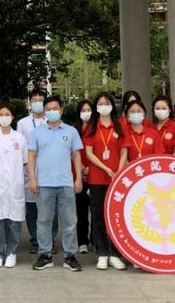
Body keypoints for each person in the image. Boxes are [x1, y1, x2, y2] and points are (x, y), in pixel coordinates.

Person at [28, 96, 84, 272]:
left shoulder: (71, 131)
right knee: (43, 221)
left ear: (61, 110)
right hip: (44, 184)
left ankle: (70, 256)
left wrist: (78, 179)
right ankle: (45, 255)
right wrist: (32, 179)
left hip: (66, 183)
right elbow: (31, 156)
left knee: (70, 221)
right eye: (49, 109)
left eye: (55, 108)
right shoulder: (37, 132)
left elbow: (76, 155)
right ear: (45, 112)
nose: (52, 111)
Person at [83, 92, 126, 271]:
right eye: (100, 103)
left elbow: (124, 151)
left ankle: (115, 254)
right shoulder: (92, 127)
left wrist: (118, 171)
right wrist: (105, 168)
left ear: (112, 106)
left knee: (115, 216)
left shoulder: (120, 125)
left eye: (107, 103)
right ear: (96, 107)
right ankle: (102, 253)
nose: (104, 106)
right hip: (97, 178)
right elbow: (88, 153)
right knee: (98, 216)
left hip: (116, 179)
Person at [0, 103, 27, 268]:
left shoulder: (20, 138)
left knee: (14, 221)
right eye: (1, 114)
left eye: (7, 114)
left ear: (13, 117)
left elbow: (25, 162)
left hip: (15, 185)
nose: (4, 117)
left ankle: (11, 252)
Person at [17, 88, 47, 254]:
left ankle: (48, 240)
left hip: (48, 167)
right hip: (29, 167)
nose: (37, 103)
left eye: (40, 100)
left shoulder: (51, 120)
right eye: (34, 100)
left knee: (48, 207)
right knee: (31, 208)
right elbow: (21, 147)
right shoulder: (23, 123)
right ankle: (35, 240)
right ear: (29, 103)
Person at [72, 99, 93, 255]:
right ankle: (82, 241)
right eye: (83, 110)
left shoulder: (97, 128)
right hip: (78, 174)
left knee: (96, 211)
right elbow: (72, 153)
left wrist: (90, 168)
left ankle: (95, 240)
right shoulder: (74, 130)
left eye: (88, 110)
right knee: (81, 211)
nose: (86, 113)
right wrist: (82, 169)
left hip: (95, 173)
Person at [118, 100, 163, 168]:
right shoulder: (124, 133)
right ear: (127, 115)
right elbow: (122, 155)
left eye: (139, 111)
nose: (136, 114)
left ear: (144, 113)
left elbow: (158, 156)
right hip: (130, 170)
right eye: (132, 111)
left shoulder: (153, 133)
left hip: (151, 170)